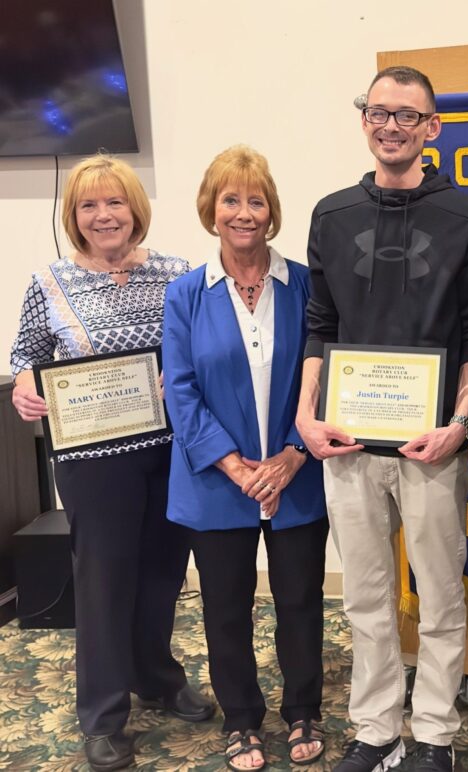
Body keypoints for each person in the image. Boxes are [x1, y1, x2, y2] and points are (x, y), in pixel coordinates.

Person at [295, 65, 468, 772]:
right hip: (346, 442)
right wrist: (305, 414)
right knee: (367, 599)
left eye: (408, 115)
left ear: (432, 128)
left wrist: (460, 422)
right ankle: (377, 729)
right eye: (379, 113)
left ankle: (434, 734)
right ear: (365, 120)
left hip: (429, 443)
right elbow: (321, 322)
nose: (391, 126)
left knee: (439, 595)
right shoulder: (332, 214)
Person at [9, 154, 213, 771]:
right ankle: (101, 712)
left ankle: (156, 675)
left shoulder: (180, 274)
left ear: (135, 209)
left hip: (173, 450)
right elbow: (26, 354)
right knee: (103, 581)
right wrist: (24, 387)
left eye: (115, 202)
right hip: (94, 460)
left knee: (161, 571)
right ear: (74, 217)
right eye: (88, 206)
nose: (104, 216)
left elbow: (206, 347)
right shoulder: (50, 283)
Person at [162, 146, 329, 771]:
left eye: (255, 200)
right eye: (230, 199)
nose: (243, 212)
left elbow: (323, 375)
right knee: (225, 607)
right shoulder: (186, 294)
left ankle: (304, 710)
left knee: (300, 601)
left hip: (297, 475)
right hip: (216, 482)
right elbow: (180, 389)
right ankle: (241, 719)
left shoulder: (307, 284)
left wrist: (289, 456)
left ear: (271, 210)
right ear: (211, 210)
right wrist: (237, 467)